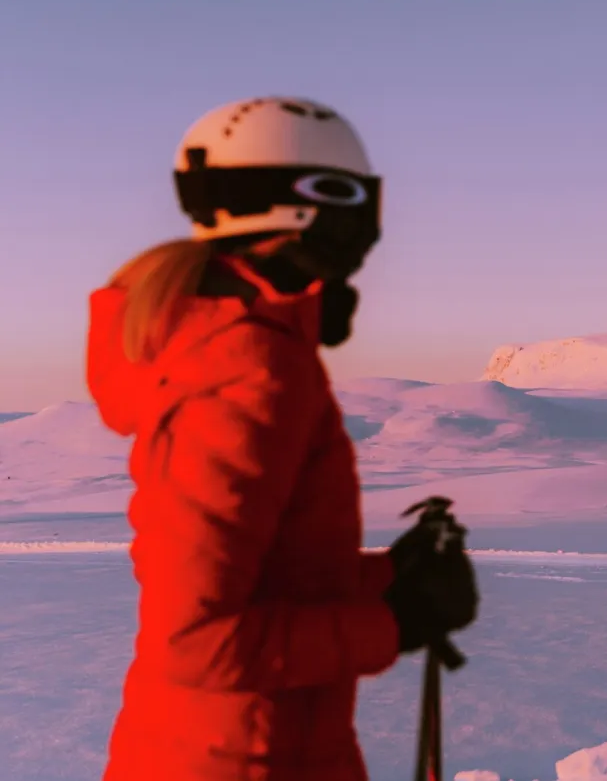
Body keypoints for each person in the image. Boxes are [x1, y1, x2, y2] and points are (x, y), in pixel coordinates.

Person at [87, 97, 479, 781]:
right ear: (312, 205)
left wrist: (389, 576)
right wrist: (395, 624)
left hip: (245, 750)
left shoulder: (231, 350)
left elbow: (269, 579)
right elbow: (197, 641)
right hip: (248, 761)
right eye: (358, 205)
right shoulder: (248, 371)